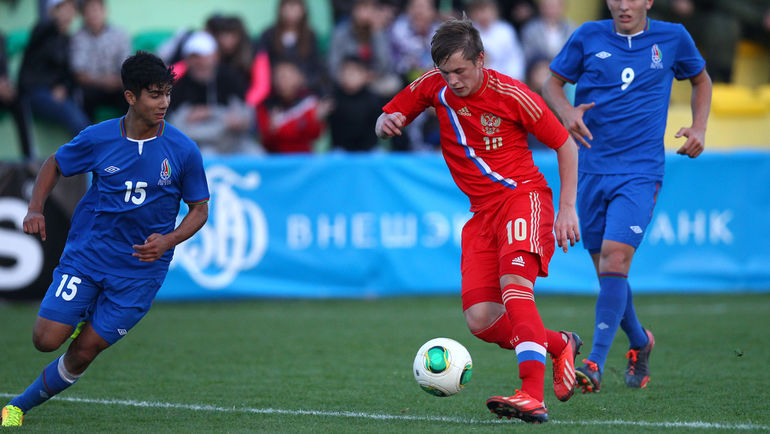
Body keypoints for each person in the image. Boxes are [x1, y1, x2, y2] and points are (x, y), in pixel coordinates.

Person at [375, 17, 583, 424]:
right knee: (481, 320)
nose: (453, 80)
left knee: (514, 286)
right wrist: (385, 124)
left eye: (460, 70)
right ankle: (559, 344)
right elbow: (387, 119)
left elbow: (565, 144)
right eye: (445, 72)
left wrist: (568, 208)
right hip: (482, 215)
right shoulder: (433, 86)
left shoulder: (513, 94)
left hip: (523, 197)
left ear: (481, 60)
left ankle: (531, 394)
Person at [0, 51, 210, 427]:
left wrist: (169, 241)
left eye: (167, 94)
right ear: (131, 97)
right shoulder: (99, 138)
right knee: (45, 340)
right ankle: (86, 309)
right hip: (90, 256)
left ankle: (17, 407)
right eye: (154, 95)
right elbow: (55, 163)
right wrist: (34, 209)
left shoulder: (183, 150)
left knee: (83, 352)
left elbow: (199, 210)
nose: (164, 103)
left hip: (140, 272)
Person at [543, 0, 712, 393]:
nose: (623, 5)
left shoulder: (673, 37)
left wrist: (699, 126)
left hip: (640, 170)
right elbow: (551, 84)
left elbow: (701, 80)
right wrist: (567, 112)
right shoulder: (587, 35)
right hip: (590, 167)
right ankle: (640, 341)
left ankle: (594, 363)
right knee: (608, 270)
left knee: (616, 258)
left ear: (648, 0)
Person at [167, 31, 260, 155]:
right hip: (201, 145)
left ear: (215, 56)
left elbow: (245, 117)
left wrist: (210, 113)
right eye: (194, 57)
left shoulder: (230, 79)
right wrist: (223, 121)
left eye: (204, 56)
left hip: (234, 142)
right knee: (206, 155)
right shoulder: (179, 87)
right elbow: (176, 128)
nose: (199, 62)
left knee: (256, 154)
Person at [18, 0, 89, 137]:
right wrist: (56, 21)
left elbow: (68, 73)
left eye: (71, 9)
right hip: (34, 91)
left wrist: (63, 87)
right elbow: (33, 73)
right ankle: (91, 146)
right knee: (72, 115)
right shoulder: (42, 31)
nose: (68, 13)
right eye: (64, 8)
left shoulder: (68, 40)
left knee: (81, 107)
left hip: (56, 93)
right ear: (53, 11)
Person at [70, 0, 132, 122]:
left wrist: (117, 81)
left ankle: (130, 132)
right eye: (88, 11)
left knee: (132, 93)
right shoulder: (78, 37)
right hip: (92, 87)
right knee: (82, 95)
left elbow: (127, 66)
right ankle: (89, 133)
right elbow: (79, 73)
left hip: (117, 85)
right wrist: (103, 82)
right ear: (83, 15)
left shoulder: (119, 34)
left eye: (95, 10)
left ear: (104, 11)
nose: (92, 15)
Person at [257, 60, 331, 153]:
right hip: (276, 157)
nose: (283, 81)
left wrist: (316, 120)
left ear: (299, 77)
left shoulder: (309, 102)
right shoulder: (266, 105)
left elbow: (314, 135)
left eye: (287, 76)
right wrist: (273, 131)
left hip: (304, 157)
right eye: (279, 76)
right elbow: (266, 141)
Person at [329, 55, 384, 152]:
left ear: (365, 75)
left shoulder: (374, 99)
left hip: (370, 150)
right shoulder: (332, 99)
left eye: (353, 73)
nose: (348, 76)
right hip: (341, 150)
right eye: (345, 72)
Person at [468, 0, 526, 81]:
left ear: (495, 11)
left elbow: (515, 58)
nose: (483, 15)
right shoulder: (468, 33)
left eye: (486, 10)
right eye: (479, 11)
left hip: (506, 78)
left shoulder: (506, 30)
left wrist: (515, 79)